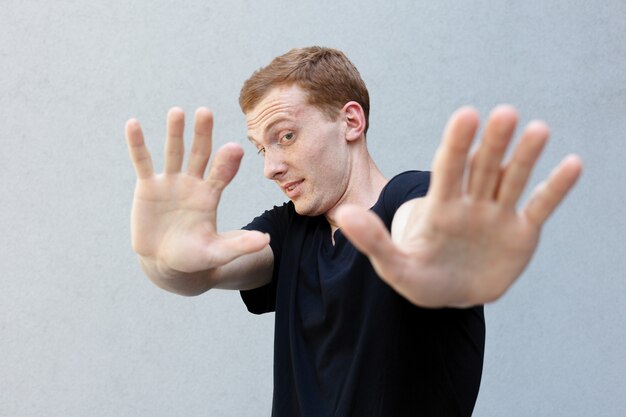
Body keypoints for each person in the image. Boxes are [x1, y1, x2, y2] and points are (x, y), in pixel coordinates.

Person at [124, 47, 582, 416]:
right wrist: (161, 261)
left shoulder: (410, 195)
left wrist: (445, 253)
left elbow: (422, 231)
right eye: (260, 148)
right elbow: (201, 269)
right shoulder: (290, 229)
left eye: (285, 137)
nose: (270, 167)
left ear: (351, 121)